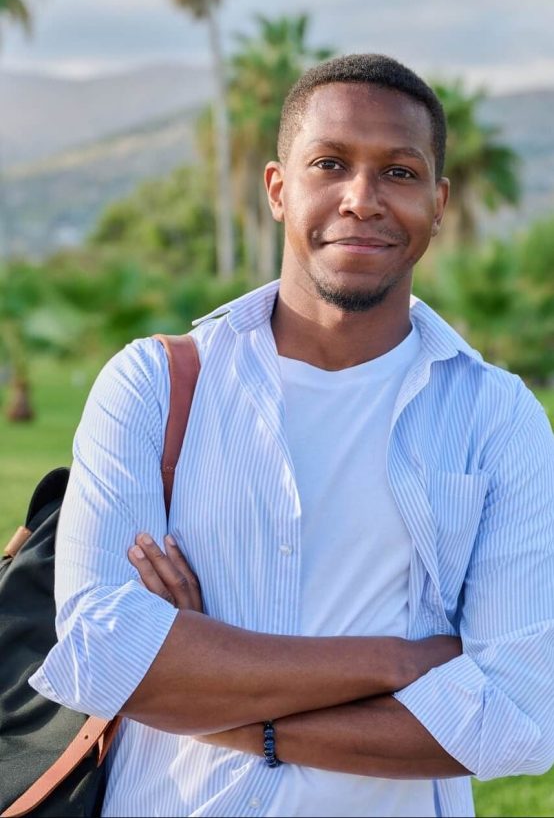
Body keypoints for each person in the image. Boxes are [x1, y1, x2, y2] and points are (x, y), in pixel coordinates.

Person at [29, 54, 554, 818]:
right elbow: (101, 657)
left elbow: (518, 721)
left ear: (438, 203)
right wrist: (401, 661)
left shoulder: (497, 416)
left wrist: (213, 685)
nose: (362, 199)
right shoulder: (152, 385)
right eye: (330, 163)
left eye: (400, 173)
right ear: (280, 188)